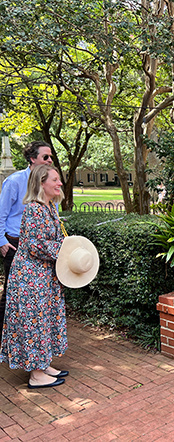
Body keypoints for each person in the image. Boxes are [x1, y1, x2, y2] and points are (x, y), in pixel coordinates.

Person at [0, 164, 68, 389]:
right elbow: (35, 245)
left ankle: (43, 364)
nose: (60, 183)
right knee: (34, 322)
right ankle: (36, 375)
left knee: (45, 319)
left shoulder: (49, 207)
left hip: (43, 275)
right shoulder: (34, 209)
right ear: (41, 184)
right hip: (30, 278)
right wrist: (66, 250)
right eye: (55, 180)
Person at [0, 141, 53, 341]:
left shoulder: (48, 182)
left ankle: (29, 341)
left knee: (36, 297)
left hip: (40, 248)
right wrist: (1, 242)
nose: (49, 161)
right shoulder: (14, 181)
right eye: (45, 157)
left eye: (50, 157)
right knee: (12, 295)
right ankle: (4, 340)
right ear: (32, 159)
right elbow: (1, 214)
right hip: (15, 244)